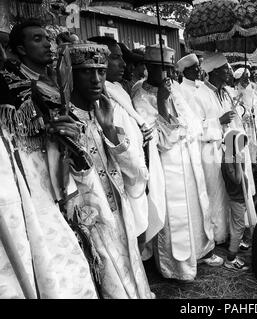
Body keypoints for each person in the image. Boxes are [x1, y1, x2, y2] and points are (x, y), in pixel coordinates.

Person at [0, 20, 98, 298]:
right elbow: (18, 132)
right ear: (20, 48)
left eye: (48, 38)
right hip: (27, 174)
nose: (47, 44)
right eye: (37, 39)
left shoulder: (53, 81)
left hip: (57, 168)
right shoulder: (10, 84)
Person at [65, 41, 154, 298]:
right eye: (86, 71)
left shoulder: (107, 113)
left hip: (120, 213)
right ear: (70, 73)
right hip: (89, 223)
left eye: (101, 72)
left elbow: (138, 174)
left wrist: (110, 130)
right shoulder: (62, 122)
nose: (95, 79)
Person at [134, 44, 220, 280]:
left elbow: (192, 124)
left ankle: (201, 251)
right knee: (175, 212)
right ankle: (178, 266)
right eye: (161, 69)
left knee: (196, 205)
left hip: (189, 157)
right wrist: (162, 102)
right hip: (168, 164)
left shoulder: (175, 90)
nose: (167, 75)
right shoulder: (140, 96)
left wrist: (171, 101)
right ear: (148, 68)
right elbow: (160, 138)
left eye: (169, 69)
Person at [88, 36, 151, 240]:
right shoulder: (96, 95)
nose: (123, 64)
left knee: (140, 230)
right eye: (115, 58)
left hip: (136, 169)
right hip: (118, 177)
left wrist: (144, 131)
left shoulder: (117, 89)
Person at [193, 52, 257, 245]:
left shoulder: (226, 93)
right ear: (213, 72)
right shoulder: (199, 94)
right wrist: (217, 121)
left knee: (235, 190)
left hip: (230, 149)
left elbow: (234, 121)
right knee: (216, 194)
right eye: (225, 69)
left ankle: (234, 232)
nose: (230, 72)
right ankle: (218, 234)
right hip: (211, 153)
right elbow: (195, 127)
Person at [221, 130, 251, 270]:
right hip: (237, 197)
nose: (243, 147)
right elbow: (238, 179)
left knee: (238, 226)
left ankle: (236, 245)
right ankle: (230, 259)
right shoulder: (229, 159)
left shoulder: (232, 155)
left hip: (240, 196)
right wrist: (239, 161)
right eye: (240, 144)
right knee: (238, 228)